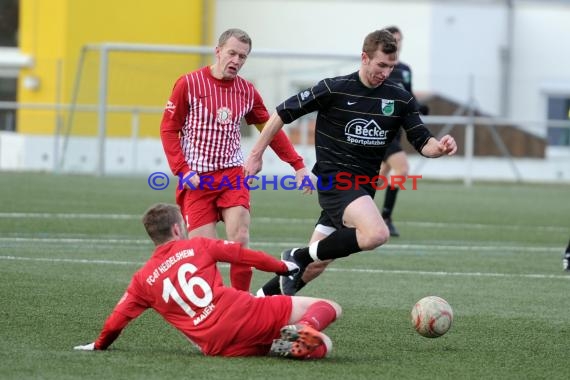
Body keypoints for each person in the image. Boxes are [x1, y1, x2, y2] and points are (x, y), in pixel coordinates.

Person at [245, 29, 457, 296]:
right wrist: (256, 154)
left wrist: (439, 147)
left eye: (391, 66)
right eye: (381, 65)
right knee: (376, 233)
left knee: (313, 266)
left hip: (363, 189)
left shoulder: (399, 98)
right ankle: (298, 254)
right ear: (364, 58)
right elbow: (282, 113)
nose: (386, 73)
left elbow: (422, 140)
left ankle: (258, 302)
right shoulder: (334, 88)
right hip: (336, 181)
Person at [73, 203, 341, 359]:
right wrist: (283, 266)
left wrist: (98, 345)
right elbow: (243, 255)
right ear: (177, 229)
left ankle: (287, 341)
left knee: (322, 347)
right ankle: (305, 327)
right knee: (329, 307)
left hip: (217, 346)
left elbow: (117, 320)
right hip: (243, 313)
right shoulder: (198, 245)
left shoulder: (141, 280)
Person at [159, 28, 310, 292]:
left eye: (243, 56)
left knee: (239, 240)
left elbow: (270, 129)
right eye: (232, 53)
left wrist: (297, 165)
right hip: (197, 181)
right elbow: (168, 128)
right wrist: (182, 169)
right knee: (203, 254)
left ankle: (241, 302)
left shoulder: (247, 91)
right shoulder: (189, 84)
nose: (237, 61)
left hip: (232, 176)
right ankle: (215, 309)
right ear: (218, 52)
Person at [379, 25, 429, 237]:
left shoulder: (405, 70)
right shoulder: (380, 67)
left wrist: (419, 107)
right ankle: (385, 218)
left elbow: (407, 96)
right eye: (393, 39)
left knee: (377, 178)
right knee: (402, 169)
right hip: (381, 130)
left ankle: (348, 214)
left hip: (397, 131)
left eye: (400, 40)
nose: (397, 44)